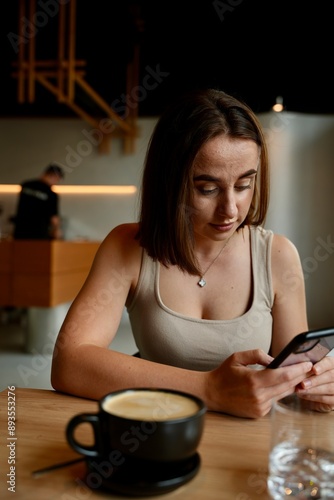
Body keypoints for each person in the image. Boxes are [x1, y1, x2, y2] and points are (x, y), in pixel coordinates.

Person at [51, 89, 334, 418]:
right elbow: (68, 363)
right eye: (207, 189)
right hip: (158, 433)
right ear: (170, 184)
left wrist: (318, 384)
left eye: (244, 185)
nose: (230, 209)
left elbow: (294, 378)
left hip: (245, 443)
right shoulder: (128, 246)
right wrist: (210, 389)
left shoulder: (278, 255)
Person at [13, 163, 64, 240]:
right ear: (55, 177)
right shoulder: (51, 194)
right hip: (39, 234)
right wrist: (57, 230)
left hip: (20, 232)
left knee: (20, 251)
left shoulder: (26, 185)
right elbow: (54, 218)